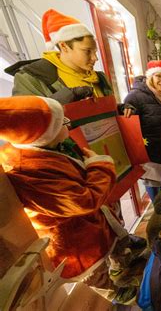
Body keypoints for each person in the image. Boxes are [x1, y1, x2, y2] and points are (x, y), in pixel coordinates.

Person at [0, 96, 141, 304]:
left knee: (107, 249)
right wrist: (100, 167)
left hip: (87, 226)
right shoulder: (28, 170)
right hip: (75, 241)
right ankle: (113, 294)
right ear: (43, 135)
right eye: (62, 122)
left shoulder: (47, 147)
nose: (69, 122)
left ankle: (119, 267)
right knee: (95, 272)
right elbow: (84, 201)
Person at [8, 9, 112, 102]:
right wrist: (59, 101)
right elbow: (25, 118)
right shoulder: (30, 79)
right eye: (87, 51)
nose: (95, 58)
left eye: (95, 51)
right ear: (64, 46)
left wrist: (120, 109)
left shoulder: (99, 78)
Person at [121, 59, 161, 201]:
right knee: (158, 202)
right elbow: (126, 120)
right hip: (151, 157)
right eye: (159, 76)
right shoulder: (136, 96)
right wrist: (123, 108)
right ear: (150, 77)